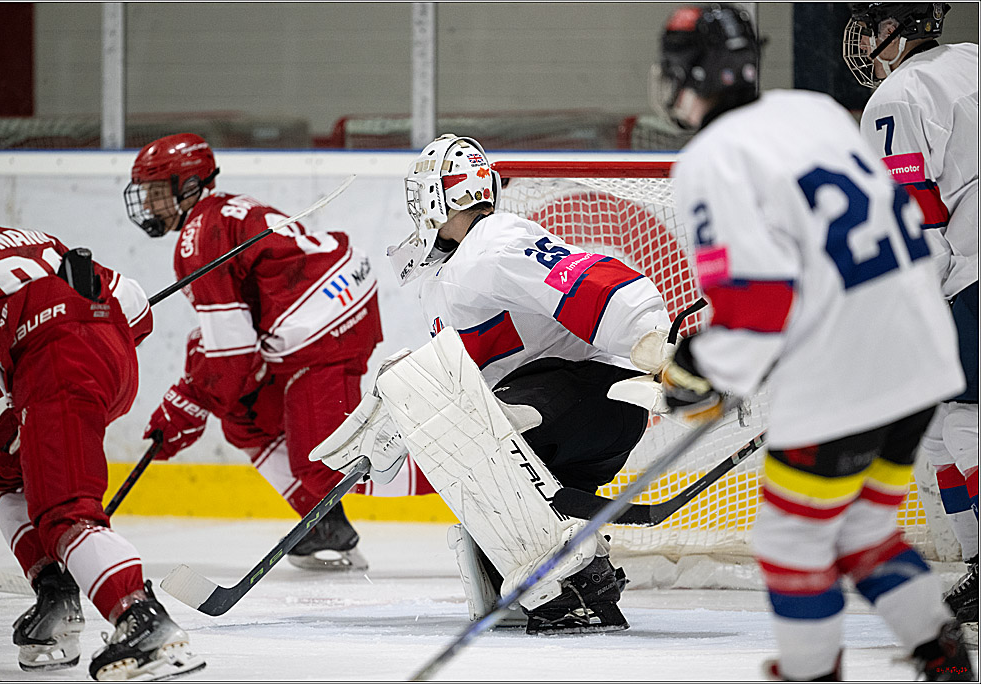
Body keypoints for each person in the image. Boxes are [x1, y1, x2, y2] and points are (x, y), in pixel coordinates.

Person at [648, 4, 976, 681]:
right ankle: (941, 652)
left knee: (792, 535)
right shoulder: (814, 111)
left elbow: (760, 303)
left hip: (851, 372)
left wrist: (699, 373)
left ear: (687, 78)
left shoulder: (712, 158)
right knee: (858, 526)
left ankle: (809, 672)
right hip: (923, 345)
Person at [310, 133, 673, 634]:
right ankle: (579, 587)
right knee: (484, 518)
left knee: (474, 436)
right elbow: (463, 380)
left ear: (435, 197)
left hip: (585, 396)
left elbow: (587, 279)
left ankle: (565, 573)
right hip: (570, 421)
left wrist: (652, 338)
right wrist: (401, 418)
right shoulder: (449, 277)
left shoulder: (492, 241)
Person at [123, 133, 418, 571]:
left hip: (323, 327)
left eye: (155, 191)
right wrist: (195, 395)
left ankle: (468, 478)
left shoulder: (199, 236)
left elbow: (232, 352)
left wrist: (187, 405)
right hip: (318, 316)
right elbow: (229, 343)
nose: (148, 203)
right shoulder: (217, 214)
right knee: (244, 415)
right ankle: (323, 527)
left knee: (327, 465)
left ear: (186, 184)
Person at [0, 169, 205, 680]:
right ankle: (57, 593)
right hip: (109, 355)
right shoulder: (32, 239)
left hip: (53, 365)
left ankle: (142, 622)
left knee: (64, 510)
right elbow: (134, 304)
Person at [843, 1, 978, 630]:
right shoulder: (974, 62)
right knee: (939, 431)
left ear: (897, 28)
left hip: (968, 279)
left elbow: (913, 221)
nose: (865, 41)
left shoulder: (896, 97)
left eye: (871, 27)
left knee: (963, 428)